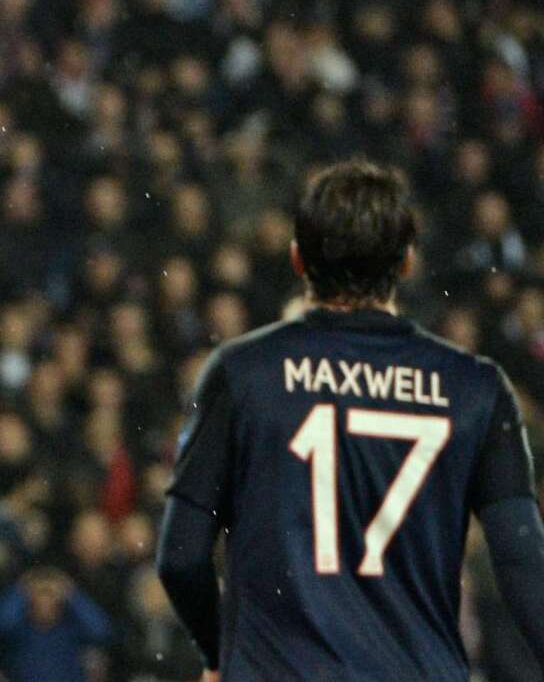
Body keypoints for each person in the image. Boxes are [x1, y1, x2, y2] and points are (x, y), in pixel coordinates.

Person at [157, 159, 544, 681]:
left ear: (298, 258)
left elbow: (181, 558)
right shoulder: (476, 388)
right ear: (407, 263)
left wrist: (216, 653)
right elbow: (522, 561)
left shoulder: (243, 373)